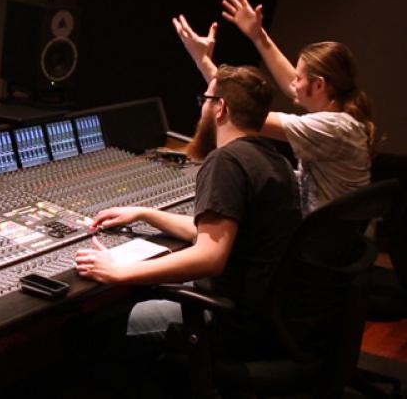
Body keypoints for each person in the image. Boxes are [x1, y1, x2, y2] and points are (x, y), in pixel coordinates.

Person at [75, 65, 301, 361]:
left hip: (233, 321)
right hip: (271, 318)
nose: (202, 108)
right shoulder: (275, 161)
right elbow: (217, 231)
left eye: (205, 100)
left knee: (93, 328)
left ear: (220, 108)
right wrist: (146, 213)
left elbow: (210, 257)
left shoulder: (227, 161)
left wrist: (121, 271)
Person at [172, 0, 374, 214]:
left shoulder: (332, 128)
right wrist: (257, 36)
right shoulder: (343, 121)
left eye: (299, 78)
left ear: (319, 85)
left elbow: (243, 113)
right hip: (335, 239)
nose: (294, 85)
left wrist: (202, 60)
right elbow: (288, 85)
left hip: (324, 244)